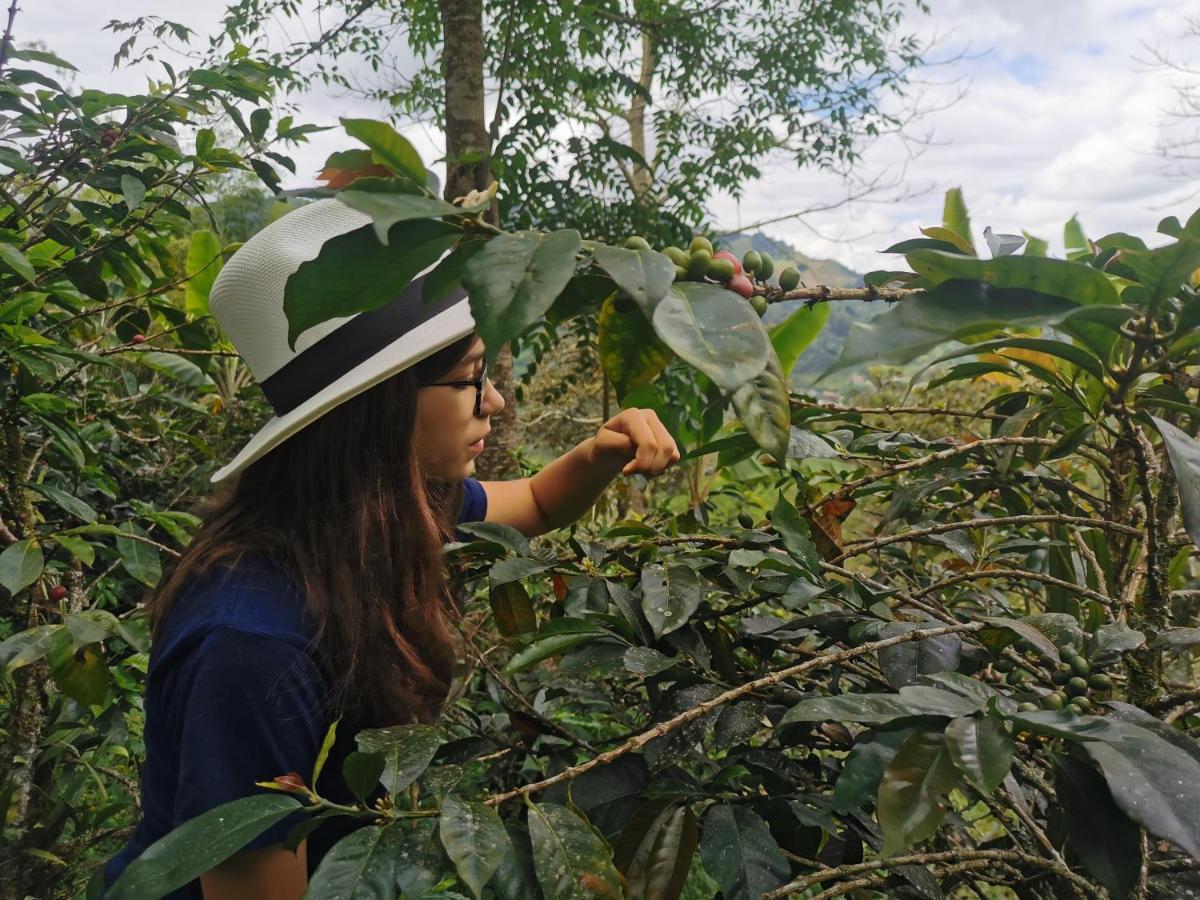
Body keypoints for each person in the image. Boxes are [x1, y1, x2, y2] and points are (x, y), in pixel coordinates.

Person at [102, 198, 680, 898]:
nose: (493, 401)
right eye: (471, 378)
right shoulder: (254, 642)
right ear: (378, 407)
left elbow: (532, 504)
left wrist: (599, 452)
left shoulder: (361, 517)